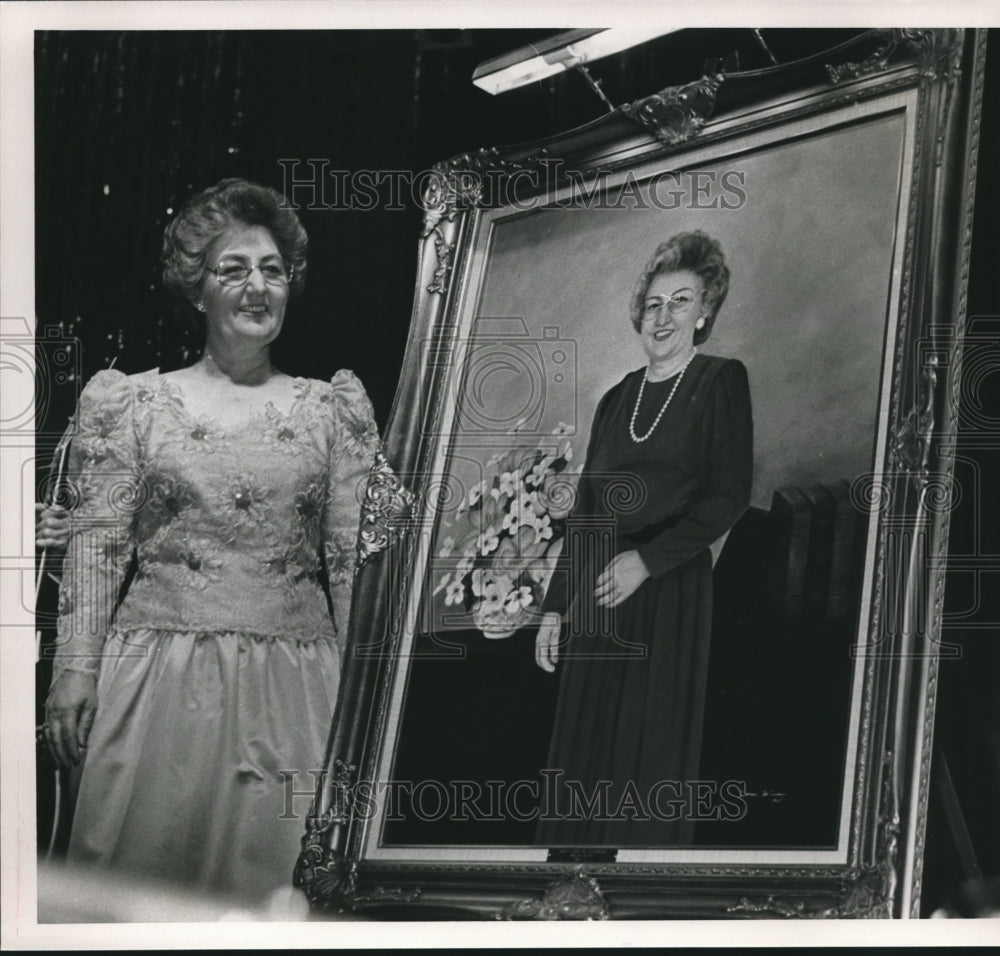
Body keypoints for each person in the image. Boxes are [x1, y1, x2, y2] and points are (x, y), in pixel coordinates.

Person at [41, 178, 399, 906]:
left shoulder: (332, 409)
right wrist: (74, 670)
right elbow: (100, 545)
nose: (257, 286)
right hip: (156, 684)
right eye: (233, 269)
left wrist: (375, 701)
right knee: (142, 888)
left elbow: (357, 569)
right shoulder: (130, 403)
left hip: (296, 687)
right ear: (196, 288)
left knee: (279, 883)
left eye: (272, 269)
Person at [533, 231, 753, 847]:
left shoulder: (720, 382)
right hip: (600, 594)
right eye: (654, 304)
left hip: (669, 589)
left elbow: (728, 496)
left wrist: (648, 563)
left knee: (645, 762)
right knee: (583, 763)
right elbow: (586, 513)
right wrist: (554, 609)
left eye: (681, 302)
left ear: (705, 310)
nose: (664, 317)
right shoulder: (616, 400)